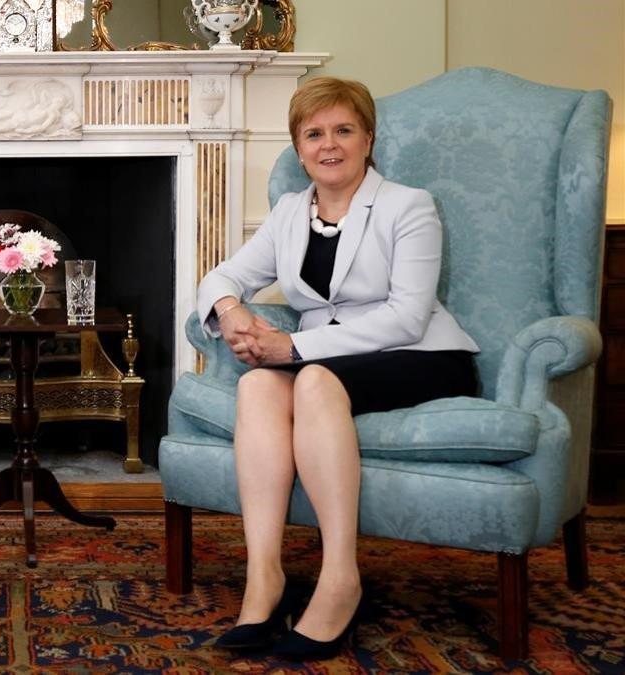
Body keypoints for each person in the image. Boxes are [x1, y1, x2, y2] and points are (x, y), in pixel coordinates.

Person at [196, 77, 479, 660]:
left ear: (367, 139)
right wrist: (232, 313)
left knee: (315, 379)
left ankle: (340, 579)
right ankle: (265, 576)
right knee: (256, 388)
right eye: (314, 134)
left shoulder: (409, 205)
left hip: (423, 357)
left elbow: (407, 317)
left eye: (343, 131)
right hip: (335, 358)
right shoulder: (288, 213)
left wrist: (294, 350)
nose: (330, 145)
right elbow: (222, 277)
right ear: (299, 149)